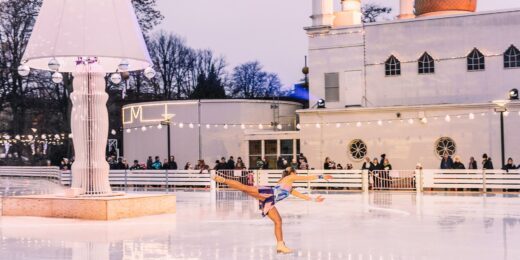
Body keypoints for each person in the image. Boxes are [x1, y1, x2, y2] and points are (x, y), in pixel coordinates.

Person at [212, 167, 332, 254]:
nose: (296, 174)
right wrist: (322, 176)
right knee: (245, 188)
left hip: (270, 200)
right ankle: (222, 180)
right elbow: (307, 178)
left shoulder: (289, 187)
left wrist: (314, 200)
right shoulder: (290, 177)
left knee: (278, 221)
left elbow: (300, 195)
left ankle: (280, 245)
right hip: (268, 193)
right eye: (295, 172)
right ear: (292, 173)